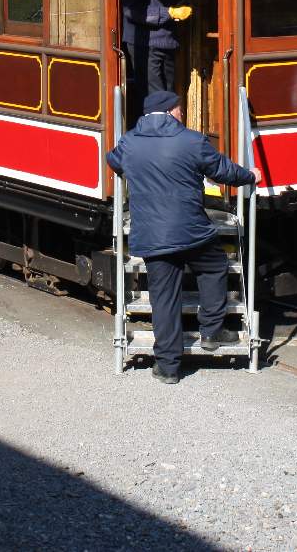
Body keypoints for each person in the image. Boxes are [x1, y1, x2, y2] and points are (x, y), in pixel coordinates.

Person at [105, 90, 260, 384]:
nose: (182, 115)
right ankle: (212, 330)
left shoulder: (129, 143)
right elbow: (223, 171)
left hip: (151, 236)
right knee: (214, 266)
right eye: (180, 110)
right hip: (191, 233)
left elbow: (113, 161)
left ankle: (168, 367)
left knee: (164, 298)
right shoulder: (191, 141)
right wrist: (250, 175)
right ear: (171, 111)